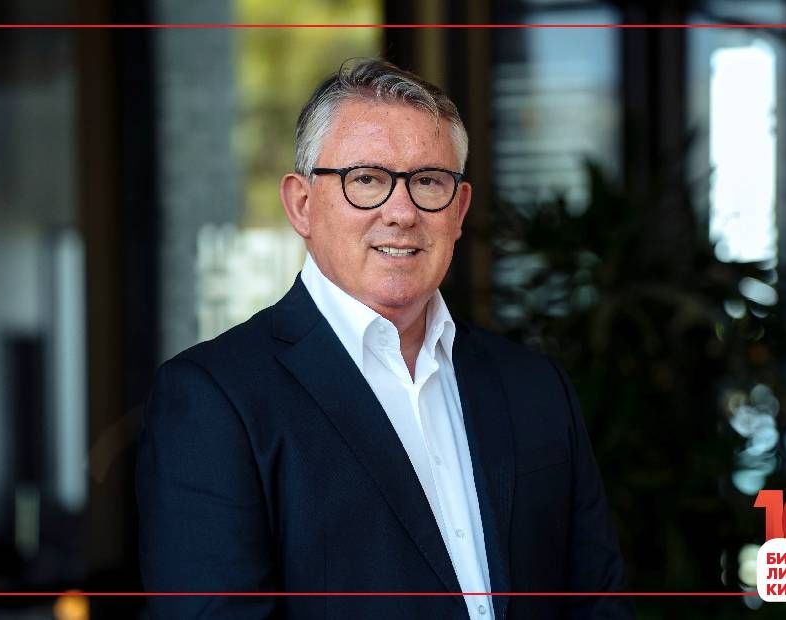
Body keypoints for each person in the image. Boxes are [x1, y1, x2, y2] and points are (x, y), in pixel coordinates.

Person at [137, 58, 632, 620]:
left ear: (459, 210)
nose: (402, 212)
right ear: (302, 204)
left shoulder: (535, 386)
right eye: (367, 180)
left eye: (428, 181)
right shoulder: (214, 400)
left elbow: (598, 604)